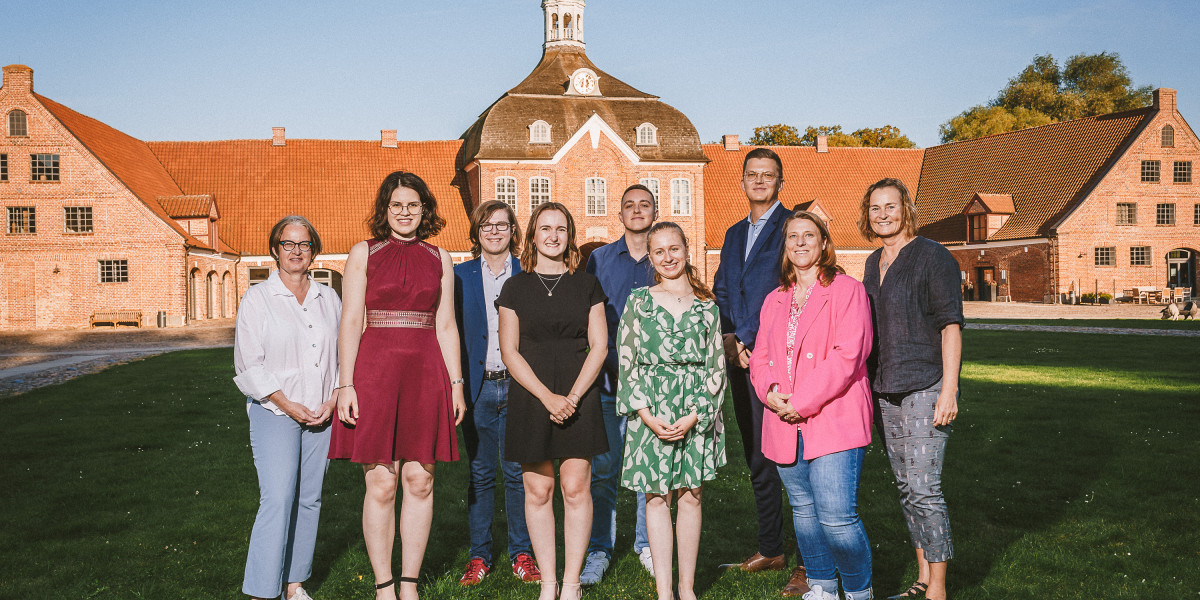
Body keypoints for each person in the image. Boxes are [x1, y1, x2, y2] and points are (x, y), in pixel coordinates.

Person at [329, 171, 467, 600]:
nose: (405, 213)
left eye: (413, 205)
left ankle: (410, 584)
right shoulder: (363, 253)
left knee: (420, 479)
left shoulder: (439, 257)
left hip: (426, 371)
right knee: (381, 482)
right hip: (375, 372)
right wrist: (345, 384)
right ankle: (383, 585)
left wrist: (457, 384)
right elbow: (350, 320)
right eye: (396, 205)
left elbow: (446, 325)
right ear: (384, 210)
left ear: (424, 209)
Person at [749, 210, 875, 600]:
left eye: (809, 235)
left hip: (833, 419)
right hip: (783, 421)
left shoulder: (847, 290)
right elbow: (761, 355)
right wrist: (768, 390)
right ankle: (821, 586)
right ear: (784, 247)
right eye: (793, 237)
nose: (801, 242)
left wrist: (800, 402)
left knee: (837, 518)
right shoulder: (775, 298)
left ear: (823, 243)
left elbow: (848, 356)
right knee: (804, 512)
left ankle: (857, 591)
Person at [496, 202, 608, 600]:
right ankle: (548, 582)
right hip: (532, 396)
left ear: (570, 235)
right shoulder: (515, 287)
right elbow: (509, 351)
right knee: (538, 491)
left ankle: (573, 582)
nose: (553, 235)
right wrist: (547, 397)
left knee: (576, 487)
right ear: (533, 235)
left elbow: (600, 345)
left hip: (581, 393)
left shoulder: (587, 284)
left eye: (561, 228)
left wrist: (573, 396)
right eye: (545, 228)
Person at [859, 178, 962, 600]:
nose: (883, 215)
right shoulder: (871, 263)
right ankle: (921, 578)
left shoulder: (932, 256)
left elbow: (950, 325)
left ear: (906, 209)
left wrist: (950, 389)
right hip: (885, 387)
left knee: (924, 487)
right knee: (905, 486)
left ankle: (937, 589)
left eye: (891, 206)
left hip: (925, 383)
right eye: (875, 208)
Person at [617, 221, 726, 600]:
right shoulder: (638, 301)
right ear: (650, 257)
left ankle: (687, 588)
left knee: (691, 495)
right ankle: (665, 591)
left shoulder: (707, 307)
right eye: (659, 251)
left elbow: (716, 368)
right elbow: (626, 361)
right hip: (652, 412)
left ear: (686, 249)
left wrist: (696, 414)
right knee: (656, 496)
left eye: (674, 249)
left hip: (693, 410)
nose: (668, 257)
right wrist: (646, 416)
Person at [234, 215, 341, 600]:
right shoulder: (258, 299)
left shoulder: (328, 298)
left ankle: (294, 584)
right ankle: (263, 591)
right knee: (278, 497)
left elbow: (344, 355)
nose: (296, 251)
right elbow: (249, 363)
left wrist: (333, 399)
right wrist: (286, 403)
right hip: (274, 411)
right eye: (288, 244)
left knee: (309, 498)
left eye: (304, 244)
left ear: (314, 251)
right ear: (275, 250)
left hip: (321, 413)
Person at [711, 147, 795, 578]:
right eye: (752, 175)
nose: (759, 181)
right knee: (757, 455)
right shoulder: (731, 234)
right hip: (740, 362)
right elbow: (722, 290)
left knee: (794, 458)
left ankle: (807, 555)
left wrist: (747, 338)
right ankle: (771, 547)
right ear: (741, 182)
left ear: (780, 182)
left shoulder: (791, 228)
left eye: (768, 175)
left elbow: (785, 289)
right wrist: (729, 338)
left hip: (778, 360)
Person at [453, 200, 540, 585]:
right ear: (476, 233)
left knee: (519, 472)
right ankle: (480, 556)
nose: (494, 232)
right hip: (477, 386)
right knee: (481, 473)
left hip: (520, 386)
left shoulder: (529, 273)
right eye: (486, 225)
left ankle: (523, 553)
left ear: (513, 231)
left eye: (501, 225)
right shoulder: (458, 276)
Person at [581, 184, 658, 584]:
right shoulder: (599, 259)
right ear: (620, 214)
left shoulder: (666, 255)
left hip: (653, 381)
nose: (637, 210)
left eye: (644, 204)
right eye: (630, 205)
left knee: (648, 470)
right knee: (606, 468)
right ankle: (599, 547)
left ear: (654, 211)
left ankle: (647, 544)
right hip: (609, 379)